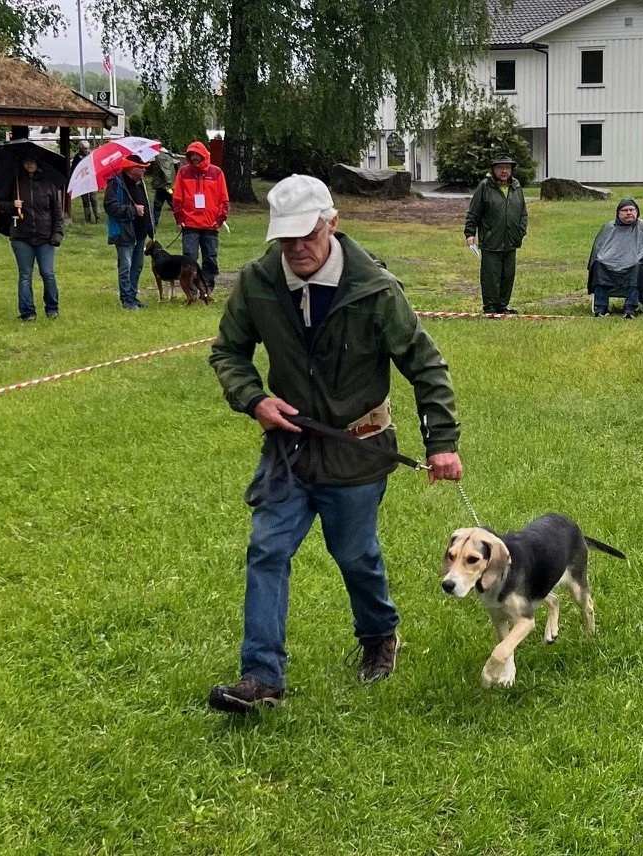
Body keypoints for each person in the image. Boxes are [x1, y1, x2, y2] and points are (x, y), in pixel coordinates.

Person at [206, 174, 463, 713]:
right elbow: (228, 352)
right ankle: (262, 677)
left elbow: (426, 365)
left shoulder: (375, 289)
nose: (297, 248)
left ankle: (378, 636)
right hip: (290, 451)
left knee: (353, 553)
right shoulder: (257, 283)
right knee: (267, 549)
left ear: (332, 224)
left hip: (358, 448)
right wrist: (255, 400)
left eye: (308, 234)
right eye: (286, 238)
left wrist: (441, 442)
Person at [0, 157, 63, 321]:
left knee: (48, 273)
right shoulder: (15, 183)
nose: (30, 165)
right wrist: (13, 205)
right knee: (25, 275)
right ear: (22, 164)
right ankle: (27, 312)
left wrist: (57, 233)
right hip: (21, 236)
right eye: (26, 162)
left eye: (33, 162)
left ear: (39, 163)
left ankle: (52, 308)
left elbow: (57, 212)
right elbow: (0, 206)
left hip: (45, 237)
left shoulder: (49, 185)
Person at [464, 153, 528, 314]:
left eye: (507, 168)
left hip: (511, 240)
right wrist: (470, 233)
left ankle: (503, 306)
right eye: (500, 168)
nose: (504, 171)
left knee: (508, 275)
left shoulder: (516, 187)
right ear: (494, 170)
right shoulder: (485, 186)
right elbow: (474, 212)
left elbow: (522, 212)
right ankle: (490, 308)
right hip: (491, 240)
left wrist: (521, 231)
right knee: (491, 276)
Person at [586, 198, 643, 318]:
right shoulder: (608, 228)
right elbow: (598, 250)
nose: (628, 212)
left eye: (631, 210)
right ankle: (601, 306)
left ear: (637, 212)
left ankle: (630, 306)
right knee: (598, 264)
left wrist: (641, 259)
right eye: (625, 210)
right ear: (618, 213)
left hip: (636, 264)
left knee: (637, 266)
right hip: (609, 263)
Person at [172, 141, 230, 290]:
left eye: (197, 154)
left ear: (204, 155)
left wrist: (220, 219)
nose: (194, 157)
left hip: (210, 224)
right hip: (190, 224)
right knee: (189, 258)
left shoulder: (216, 173)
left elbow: (224, 199)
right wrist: (179, 218)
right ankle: (191, 289)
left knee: (210, 258)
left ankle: (207, 287)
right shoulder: (183, 173)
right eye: (191, 155)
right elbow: (177, 197)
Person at [104, 154, 154, 310]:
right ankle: (126, 299)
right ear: (132, 169)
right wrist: (132, 210)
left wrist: (150, 227)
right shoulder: (116, 184)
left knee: (137, 266)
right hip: (125, 233)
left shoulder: (141, 184)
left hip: (140, 233)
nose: (144, 170)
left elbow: (146, 206)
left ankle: (132, 296)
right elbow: (110, 206)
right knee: (126, 265)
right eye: (141, 168)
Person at [71, 141, 99, 224]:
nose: (86, 150)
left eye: (87, 148)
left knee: (93, 198)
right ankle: (88, 217)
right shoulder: (77, 157)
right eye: (84, 149)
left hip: (91, 179)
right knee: (85, 200)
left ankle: (97, 216)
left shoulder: (92, 156)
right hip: (82, 180)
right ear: (81, 148)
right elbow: (74, 169)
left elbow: (96, 165)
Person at [149, 146, 177, 228]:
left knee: (158, 206)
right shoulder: (167, 155)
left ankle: (154, 224)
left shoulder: (160, 156)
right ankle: (182, 220)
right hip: (168, 187)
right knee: (173, 203)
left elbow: (167, 171)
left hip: (164, 187)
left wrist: (168, 184)